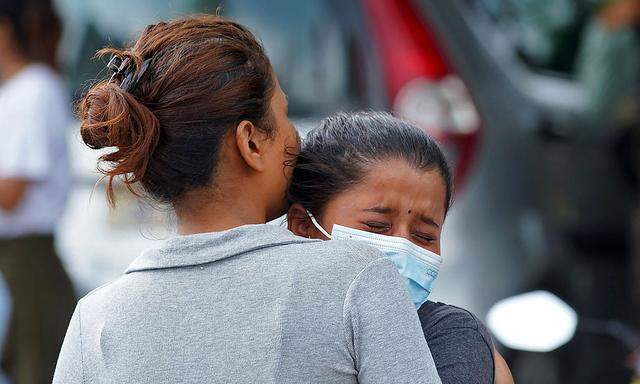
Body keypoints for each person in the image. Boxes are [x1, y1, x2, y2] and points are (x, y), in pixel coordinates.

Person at [53, 15, 442, 384]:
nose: (296, 139)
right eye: (284, 115)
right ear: (251, 142)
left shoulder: (95, 319)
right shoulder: (357, 277)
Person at [287, 111, 514, 384]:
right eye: (377, 226)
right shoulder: (258, 321)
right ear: (303, 225)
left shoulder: (449, 339)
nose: (402, 246)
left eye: (424, 235)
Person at [0, 1, 76, 383]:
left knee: (36, 371)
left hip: (27, 259)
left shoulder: (34, 90)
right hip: (15, 259)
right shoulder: (14, 93)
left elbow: (10, 193)